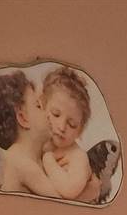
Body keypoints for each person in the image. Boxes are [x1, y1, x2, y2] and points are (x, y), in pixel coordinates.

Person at [38, 67, 108, 202]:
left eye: (72, 124)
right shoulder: (40, 142)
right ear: (42, 105)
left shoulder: (77, 156)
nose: (62, 127)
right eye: (56, 114)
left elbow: (69, 190)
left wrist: (48, 161)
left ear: (80, 131)